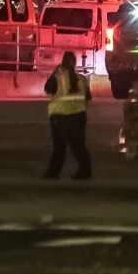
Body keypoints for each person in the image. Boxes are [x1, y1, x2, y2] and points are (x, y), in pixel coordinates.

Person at [43, 51, 92, 180]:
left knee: (59, 147)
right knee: (78, 146)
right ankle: (85, 171)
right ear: (75, 63)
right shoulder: (82, 79)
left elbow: (48, 89)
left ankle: (53, 173)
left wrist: (55, 72)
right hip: (79, 117)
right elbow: (88, 97)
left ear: (62, 62)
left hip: (61, 117)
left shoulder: (58, 77)